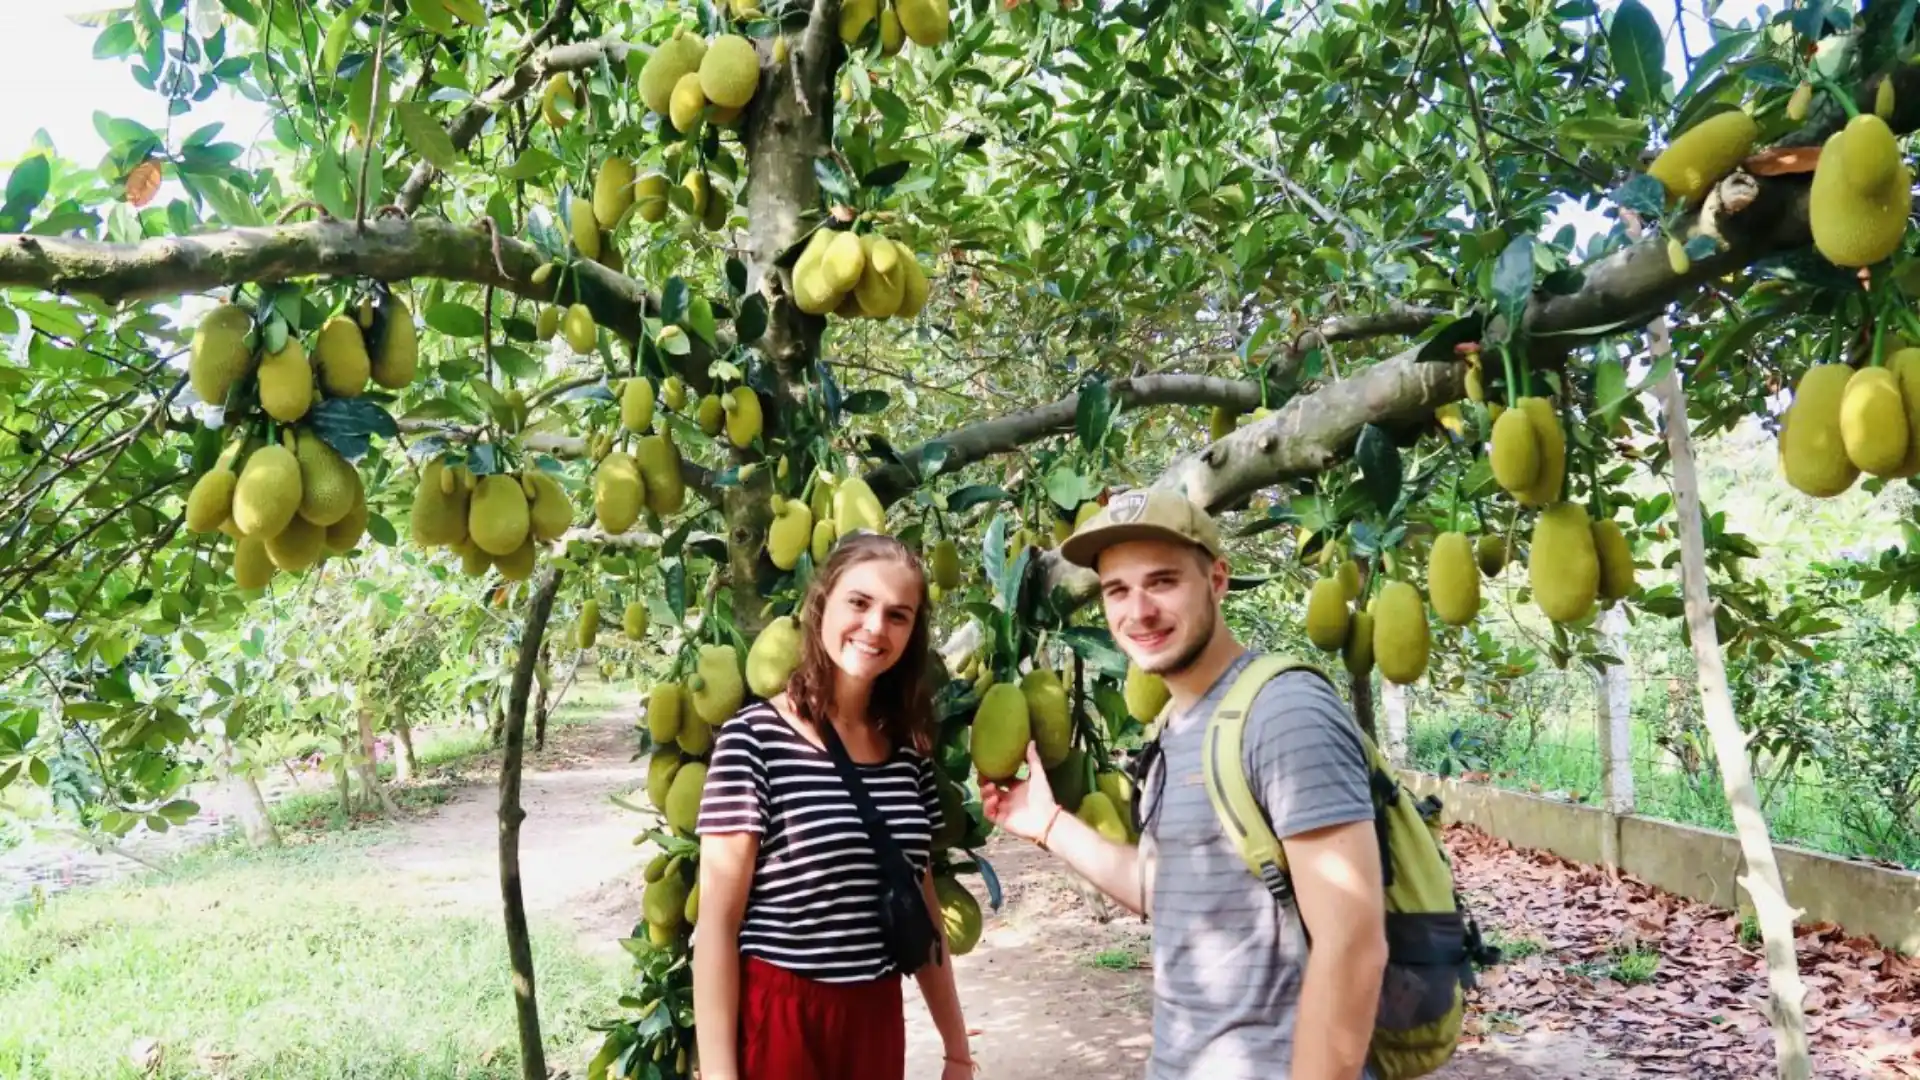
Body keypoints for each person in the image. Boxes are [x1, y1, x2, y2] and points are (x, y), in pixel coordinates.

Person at [979, 489, 1389, 1080]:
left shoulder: (1285, 713)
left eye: (1163, 582)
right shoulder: (1178, 724)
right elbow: (1171, 891)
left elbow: (1353, 947)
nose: (1138, 610)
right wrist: (1049, 824)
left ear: (1217, 580)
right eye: (1117, 590)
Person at [691, 531, 976, 1080]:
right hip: (782, 1015)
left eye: (899, 615)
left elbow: (922, 902)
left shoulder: (908, 753)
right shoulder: (753, 740)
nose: (875, 628)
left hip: (874, 1015)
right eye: (860, 603)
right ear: (822, 603)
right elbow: (718, 928)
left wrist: (956, 1049)